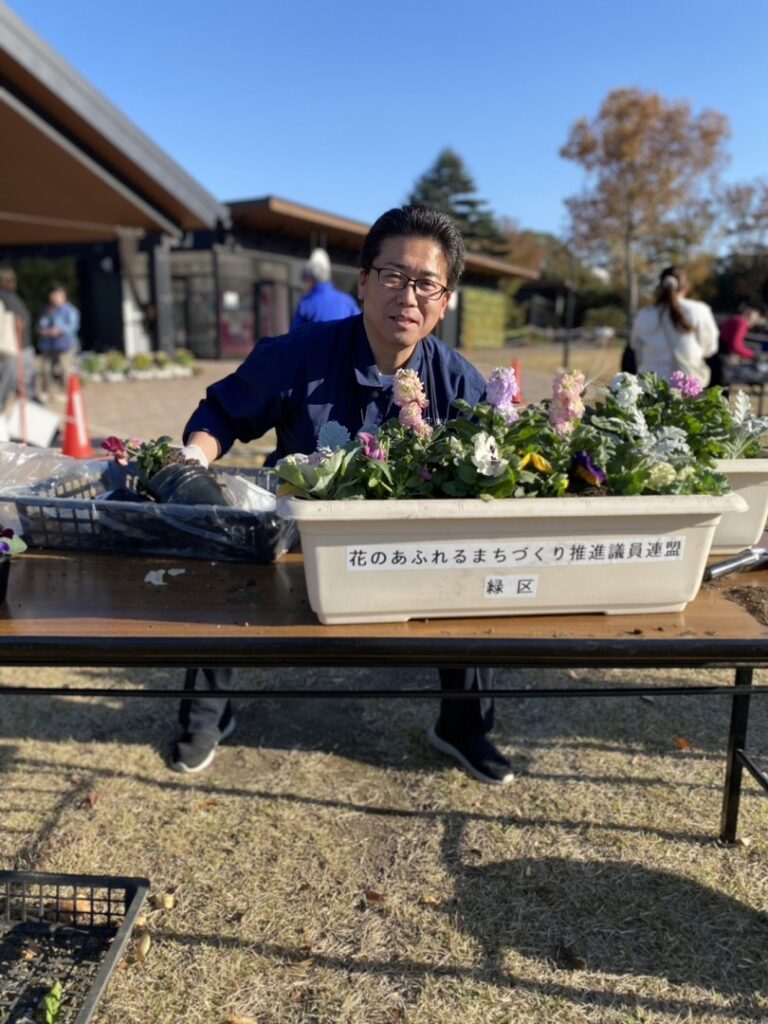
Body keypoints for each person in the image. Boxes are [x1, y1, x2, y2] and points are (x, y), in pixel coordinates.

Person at [171, 205, 512, 786]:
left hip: (408, 535)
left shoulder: (457, 378)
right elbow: (224, 411)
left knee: (471, 562)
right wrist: (194, 457)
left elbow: (498, 455)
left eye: (427, 283)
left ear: (445, 299)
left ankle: (463, 723)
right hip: (303, 529)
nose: (408, 296)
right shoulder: (299, 353)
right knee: (227, 550)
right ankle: (207, 713)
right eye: (394, 276)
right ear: (363, 281)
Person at [631, 266, 718, 386]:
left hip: (651, 386)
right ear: (686, 285)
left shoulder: (644, 315)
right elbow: (710, 348)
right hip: (688, 386)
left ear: (660, 285)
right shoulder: (700, 310)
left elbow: (636, 347)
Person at [289, 247, 360, 330]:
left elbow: (295, 336)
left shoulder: (306, 303)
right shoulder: (347, 301)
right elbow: (361, 327)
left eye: (306, 280)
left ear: (311, 277)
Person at [0, 265, 37, 408]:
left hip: (9, 352)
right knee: (27, 394)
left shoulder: (3, 299)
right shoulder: (16, 299)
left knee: (3, 392)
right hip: (25, 349)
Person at [36, 284, 80, 398]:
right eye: (53, 295)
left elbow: (73, 327)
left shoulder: (70, 310)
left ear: (64, 296)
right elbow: (41, 325)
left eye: (58, 295)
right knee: (46, 369)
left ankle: (67, 392)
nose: (55, 298)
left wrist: (60, 330)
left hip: (65, 345)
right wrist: (44, 331)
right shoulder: (48, 310)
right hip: (48, 345)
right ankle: (47, 391)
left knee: (65, 370)